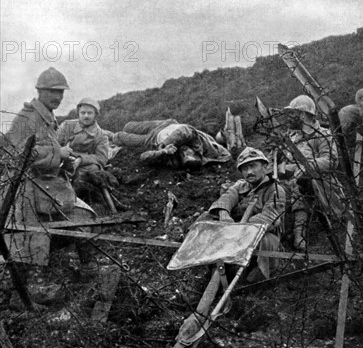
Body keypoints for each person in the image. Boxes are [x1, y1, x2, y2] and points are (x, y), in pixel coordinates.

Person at [2, 67, 98, 308]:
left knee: (83, 215)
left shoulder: (48, 118)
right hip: (26, 192)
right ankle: (26, 291)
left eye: (61, 93)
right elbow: (17, 155)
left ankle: (89, 271)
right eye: (52, 92)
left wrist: (67, 161)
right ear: (40, 91)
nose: (58, 97)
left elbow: (43, 154)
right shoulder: (27, 118)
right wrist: (59, 153)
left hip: (48, 187)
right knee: (31, 238)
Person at [202, 146, 285, 282]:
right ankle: (211, 269)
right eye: (245, 169)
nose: (249, 172)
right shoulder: (241, 186)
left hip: (260, 235)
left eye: (253, 166)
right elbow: (226, 198)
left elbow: (269, 217)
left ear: (265, 166)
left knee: (262, 242)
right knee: (206, 218)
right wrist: (224, 213)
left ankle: (254, 275)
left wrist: (238, 230)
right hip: (235, 235)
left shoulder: (275, 190)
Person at [279, 95, 340, 251]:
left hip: (321, 184)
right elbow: (286, 161)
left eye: (292, 113)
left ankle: (300, 232)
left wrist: (307, 167)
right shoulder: (292, 136)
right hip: (294, 182)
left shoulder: (323, 134)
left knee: (303, 183)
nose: (289, 117)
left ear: (303, 115)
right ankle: (281, 232)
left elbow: (331, 161)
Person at [112, 119, 231, 169]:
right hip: (167, 124)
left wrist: (161, 151)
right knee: (128, 126)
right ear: (196, 154)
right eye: (189, 153)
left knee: (118, 137)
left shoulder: (172, 156)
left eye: (184, 155)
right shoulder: (197, 144)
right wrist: (165, 143)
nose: (185, 152)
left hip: (152, 138)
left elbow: (143, 157)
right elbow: (185, 130)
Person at [57, 97, 109, 197]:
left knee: (94, 169)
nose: (86, 116)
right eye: (83, 113)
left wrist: (80, 160)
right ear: (78, 113)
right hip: (63, 160)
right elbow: (54, 143)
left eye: (89, 113)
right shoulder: (67, 126)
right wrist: (62, 153)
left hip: (84, 166)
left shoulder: (101, 135)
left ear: (95, 115)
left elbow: (101, 158)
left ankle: (75, 194)